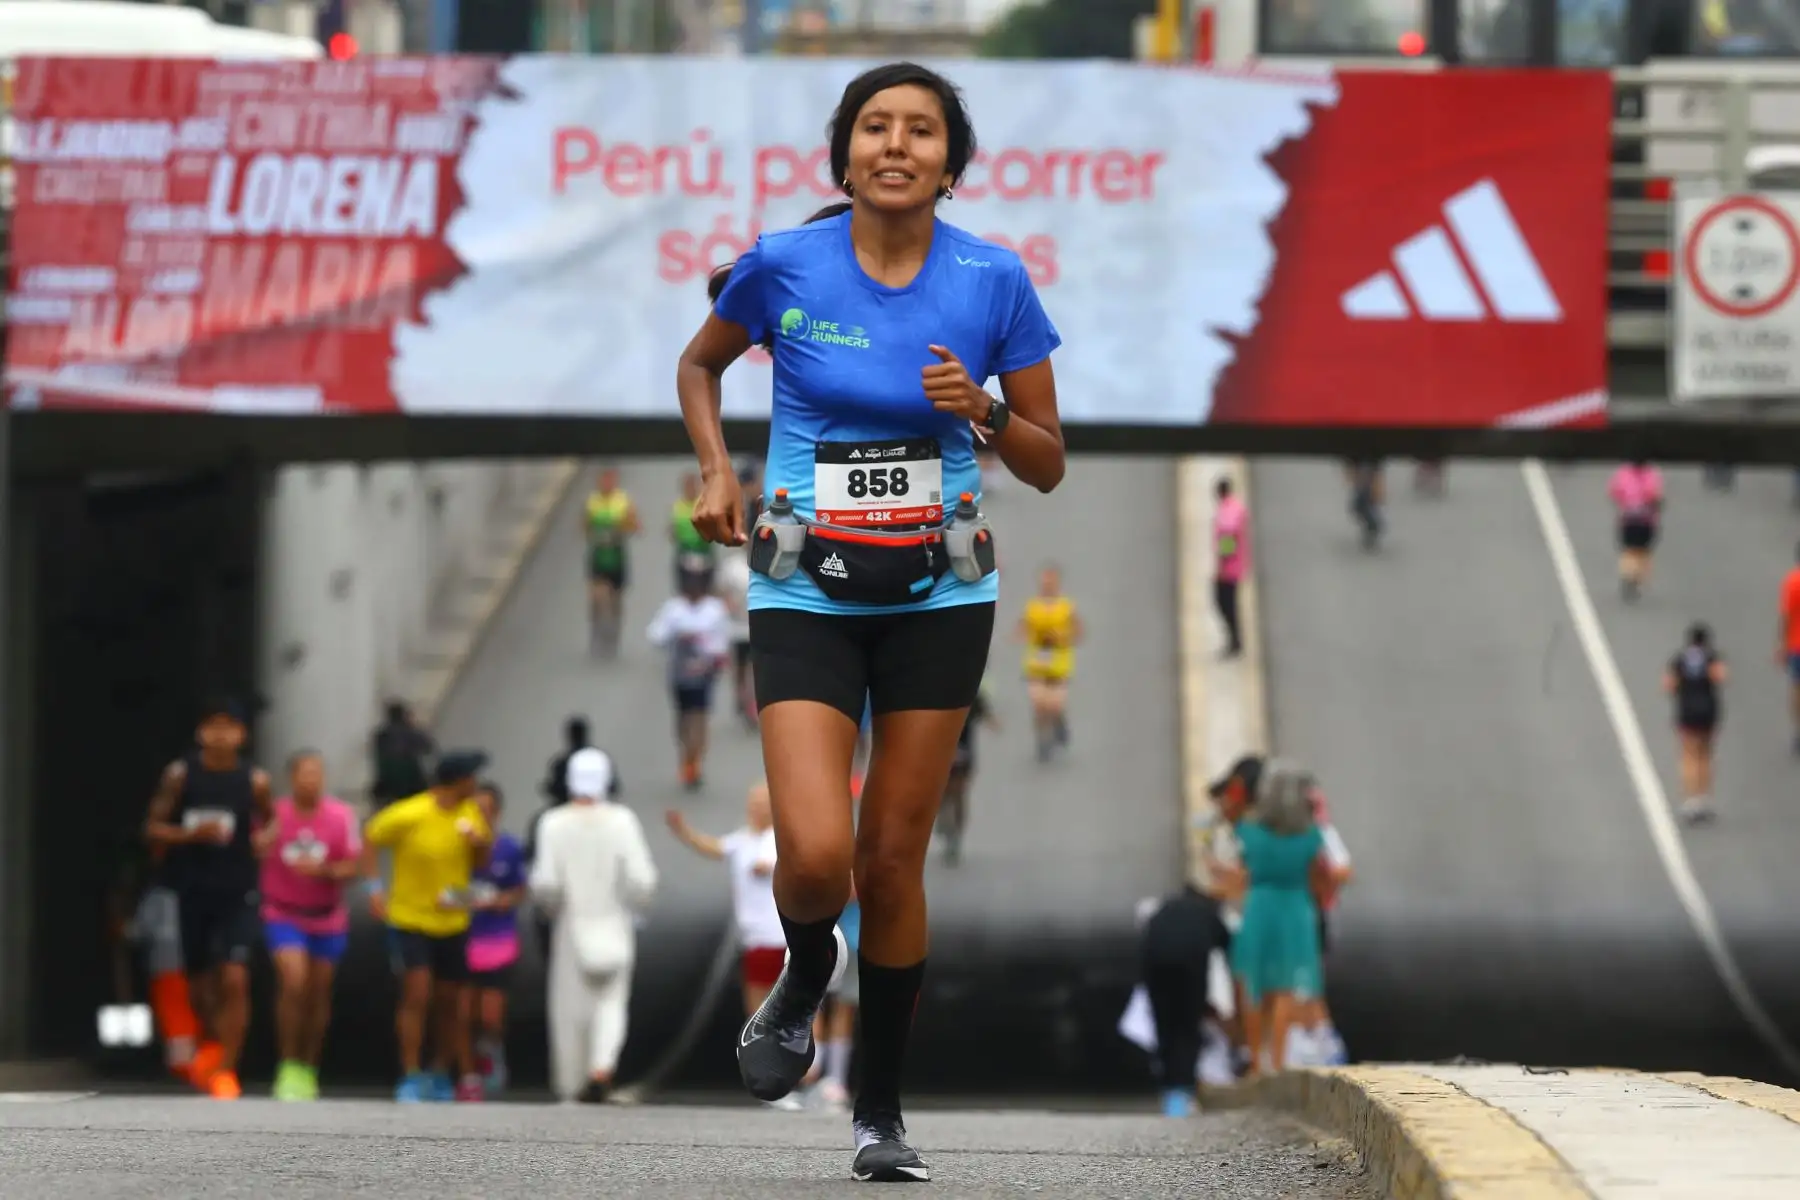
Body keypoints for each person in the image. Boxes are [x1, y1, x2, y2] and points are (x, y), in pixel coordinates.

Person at [676, 59, 1064, 1181]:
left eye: (922, 133)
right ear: (844, 152)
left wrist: (982, 410)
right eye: (876, 129)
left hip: (941, 593)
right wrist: (715, 471)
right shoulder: (784, 265)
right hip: (805, 582)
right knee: (815, 855)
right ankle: (806, 969)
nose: (897, 147)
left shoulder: (992, 280)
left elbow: (1045, 461)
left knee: (891, 862)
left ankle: (879, 1113)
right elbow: (702, 365)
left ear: (952, 161)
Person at [665, 783, 832, 1113]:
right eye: (753, 802)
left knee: (804, 1009)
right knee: (759, 1014)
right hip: (756, 942)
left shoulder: (781, 839)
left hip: (785, 941)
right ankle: (775, 1079)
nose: (756, 808)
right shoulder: (742, 840)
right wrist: (683, 831)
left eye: (763, 803)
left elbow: (780, 862)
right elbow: (715, 848)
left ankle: (813, 1077)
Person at [142, 697, 273, 1100]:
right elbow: (152, 828)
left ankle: (226, 1068)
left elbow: (272, 822)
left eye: (229, 727)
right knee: (201, 986)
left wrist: (263, 840)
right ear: (200, 733)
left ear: (241, 735)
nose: (220, 734)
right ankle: (211, 1047)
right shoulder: (181, 775)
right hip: (193, 889)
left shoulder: (255, 780)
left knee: (234, 977)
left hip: (238, 891)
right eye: (212, 726)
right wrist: (189, 836)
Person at [361, 750, 493, 1103]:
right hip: (411, 917)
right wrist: (374, 887)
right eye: (472, 777)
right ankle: (410, 1074)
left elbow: (482, 861)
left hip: (453, 919)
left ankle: (439, 1071)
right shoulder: (411, 812)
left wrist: (480, 844)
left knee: (450, 1001)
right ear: (457, 780)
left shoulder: (470, 813)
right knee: (416, 994)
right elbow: (370, 837)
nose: (476, 784)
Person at [531, 748, 659, 1104]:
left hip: (571, 927)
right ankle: (601, 1068)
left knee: (569, 1010)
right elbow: (642, 880)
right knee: (611, 1003)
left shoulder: (553, 823)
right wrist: (637, 908)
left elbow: (546, 885)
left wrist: (552, 909)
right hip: (615, 923)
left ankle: (570, 1084)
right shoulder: (622, 821)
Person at [257, 750, 360, 1101]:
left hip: (326, 915)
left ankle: (308, 1065)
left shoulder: (341, 816)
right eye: (304, 774)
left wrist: (326, 871)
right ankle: (286, 1063)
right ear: (292, 778)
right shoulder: (274, 815)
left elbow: (353, 865)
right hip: (283, 912)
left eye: (316, 774)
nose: (310, 780)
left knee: (317, 994)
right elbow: (253, 850)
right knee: (293, 981)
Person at [1219, 760, 1327, 1079]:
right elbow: (1320, 878)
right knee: (1286, 988)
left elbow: (1239, 871)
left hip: (1260, 905)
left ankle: (1255, 1059)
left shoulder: (1249, 833)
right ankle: (1277, 1060)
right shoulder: (1311, 838)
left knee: (1255, 985)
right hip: (1296, 908)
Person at [1139, 883, 1230, 1117]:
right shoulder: (1208, 912)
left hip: (1156, 971)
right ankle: (1183, 1094)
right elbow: (1228, 946)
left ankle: (1169, 1090)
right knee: (1187, 1031)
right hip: (1190, 971)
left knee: (1165, 1031)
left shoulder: (1163, 909)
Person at [466, 782, 529, 1094]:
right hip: (462, 937)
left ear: (497, 813)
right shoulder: (456, 846)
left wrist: (503, 900)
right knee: (464, 1010)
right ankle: (465, 1070)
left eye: (486, 810)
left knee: (490, 1013)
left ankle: (492, 1053)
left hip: (497, 939)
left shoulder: (510, 847)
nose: (481, 816)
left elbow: (520, 888)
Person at [647, 568, 733, 790]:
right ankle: (685, 756)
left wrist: (704, 644)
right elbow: (656, 635)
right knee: (683, 717)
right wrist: (677, 634)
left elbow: (722, 643)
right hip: (679, 672)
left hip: (704, 672)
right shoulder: (673, 609)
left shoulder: (714, 610)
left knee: (700, 716)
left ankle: (696, 762)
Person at [1018, 565, 1082, 762]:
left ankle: (1059, 723)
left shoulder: (1067, 607)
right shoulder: (1032, 607)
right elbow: (1022, 628)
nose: (1047, 585)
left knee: (1054, 705)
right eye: (1044, 581)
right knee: (1038, 703)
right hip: (1037, 661)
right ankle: (1042, 740)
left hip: (1059, 661)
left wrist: (1061, 637)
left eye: (1051, 581)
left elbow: (1078, 632)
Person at [1666, 622, 1728, 824]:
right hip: (1708, 710)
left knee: (1688, 755)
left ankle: (1690, 800)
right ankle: (1704, 799)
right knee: (1706, 754)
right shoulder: (1712, 657)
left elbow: (1668, 685)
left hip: (1687, 711)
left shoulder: (1679, 659)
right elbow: (1720, 677)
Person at [584, 466, 641, 658]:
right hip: (599, 555)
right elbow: (584, 526)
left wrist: (622, 527)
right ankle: (596, 628)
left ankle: (614, 630)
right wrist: (594, 532)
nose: (607, 484)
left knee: (615, 599)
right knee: (597, 596)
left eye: (611, 480)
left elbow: (636, 526)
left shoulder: (622, 501)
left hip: (617, 555)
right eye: (604, 480)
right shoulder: (593, 501)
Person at [939, 682, 997, 865]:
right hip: (958, 752)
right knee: (956, 794)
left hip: (947, 753)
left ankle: (950, 829)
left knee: (949, 794)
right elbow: (989, 718)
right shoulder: (970, 691)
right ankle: (953, 830)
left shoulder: (932, 689)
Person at [1608, 458, 1664, 601]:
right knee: (1643, 550)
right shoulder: (1652, 474)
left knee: (1629, 549)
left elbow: (1614, 492)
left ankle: (1628, 574)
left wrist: (1625, 502)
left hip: (1628, 518)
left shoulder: (1623, 473)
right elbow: (1656, 496)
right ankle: (1636, 576)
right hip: (1646, 520)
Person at [716, 543, 758, 730]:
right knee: (739, 669)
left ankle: (752, 705)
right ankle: (739, 698)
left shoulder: (764, 563)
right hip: (736, 628)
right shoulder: (732, 566)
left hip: (757, 628)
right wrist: (729, 604)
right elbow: (720, 590)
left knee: (754, 669)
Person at [370, 702, 433, 809]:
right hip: (413, 783)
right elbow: (428, 749)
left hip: (387, 784)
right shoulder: (412, 732)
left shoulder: (381, 735)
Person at [1212, 477, 1249, 659]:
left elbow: (1227, 537)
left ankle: (1234, 640)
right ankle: (1235, 640)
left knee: (1223, 602)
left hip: (1230, 568)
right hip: (1237, 565)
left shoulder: (1227, 510)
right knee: (1228, 603)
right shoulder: (1236, 507)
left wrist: (1222, 565)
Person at [671, 472, 718, 586]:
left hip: (704, 554)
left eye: (693, 485)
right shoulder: (677, 507)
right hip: (685, 554)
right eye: (687, 486)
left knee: (705, 589)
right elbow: (672, 531)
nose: (690, 489)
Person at [1780, 542, 1800, 756]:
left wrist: (1782, 644)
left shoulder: (1793, 581)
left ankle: (1798, 730)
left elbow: (1786, 615)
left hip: (1797, 645)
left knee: (1796, 688)